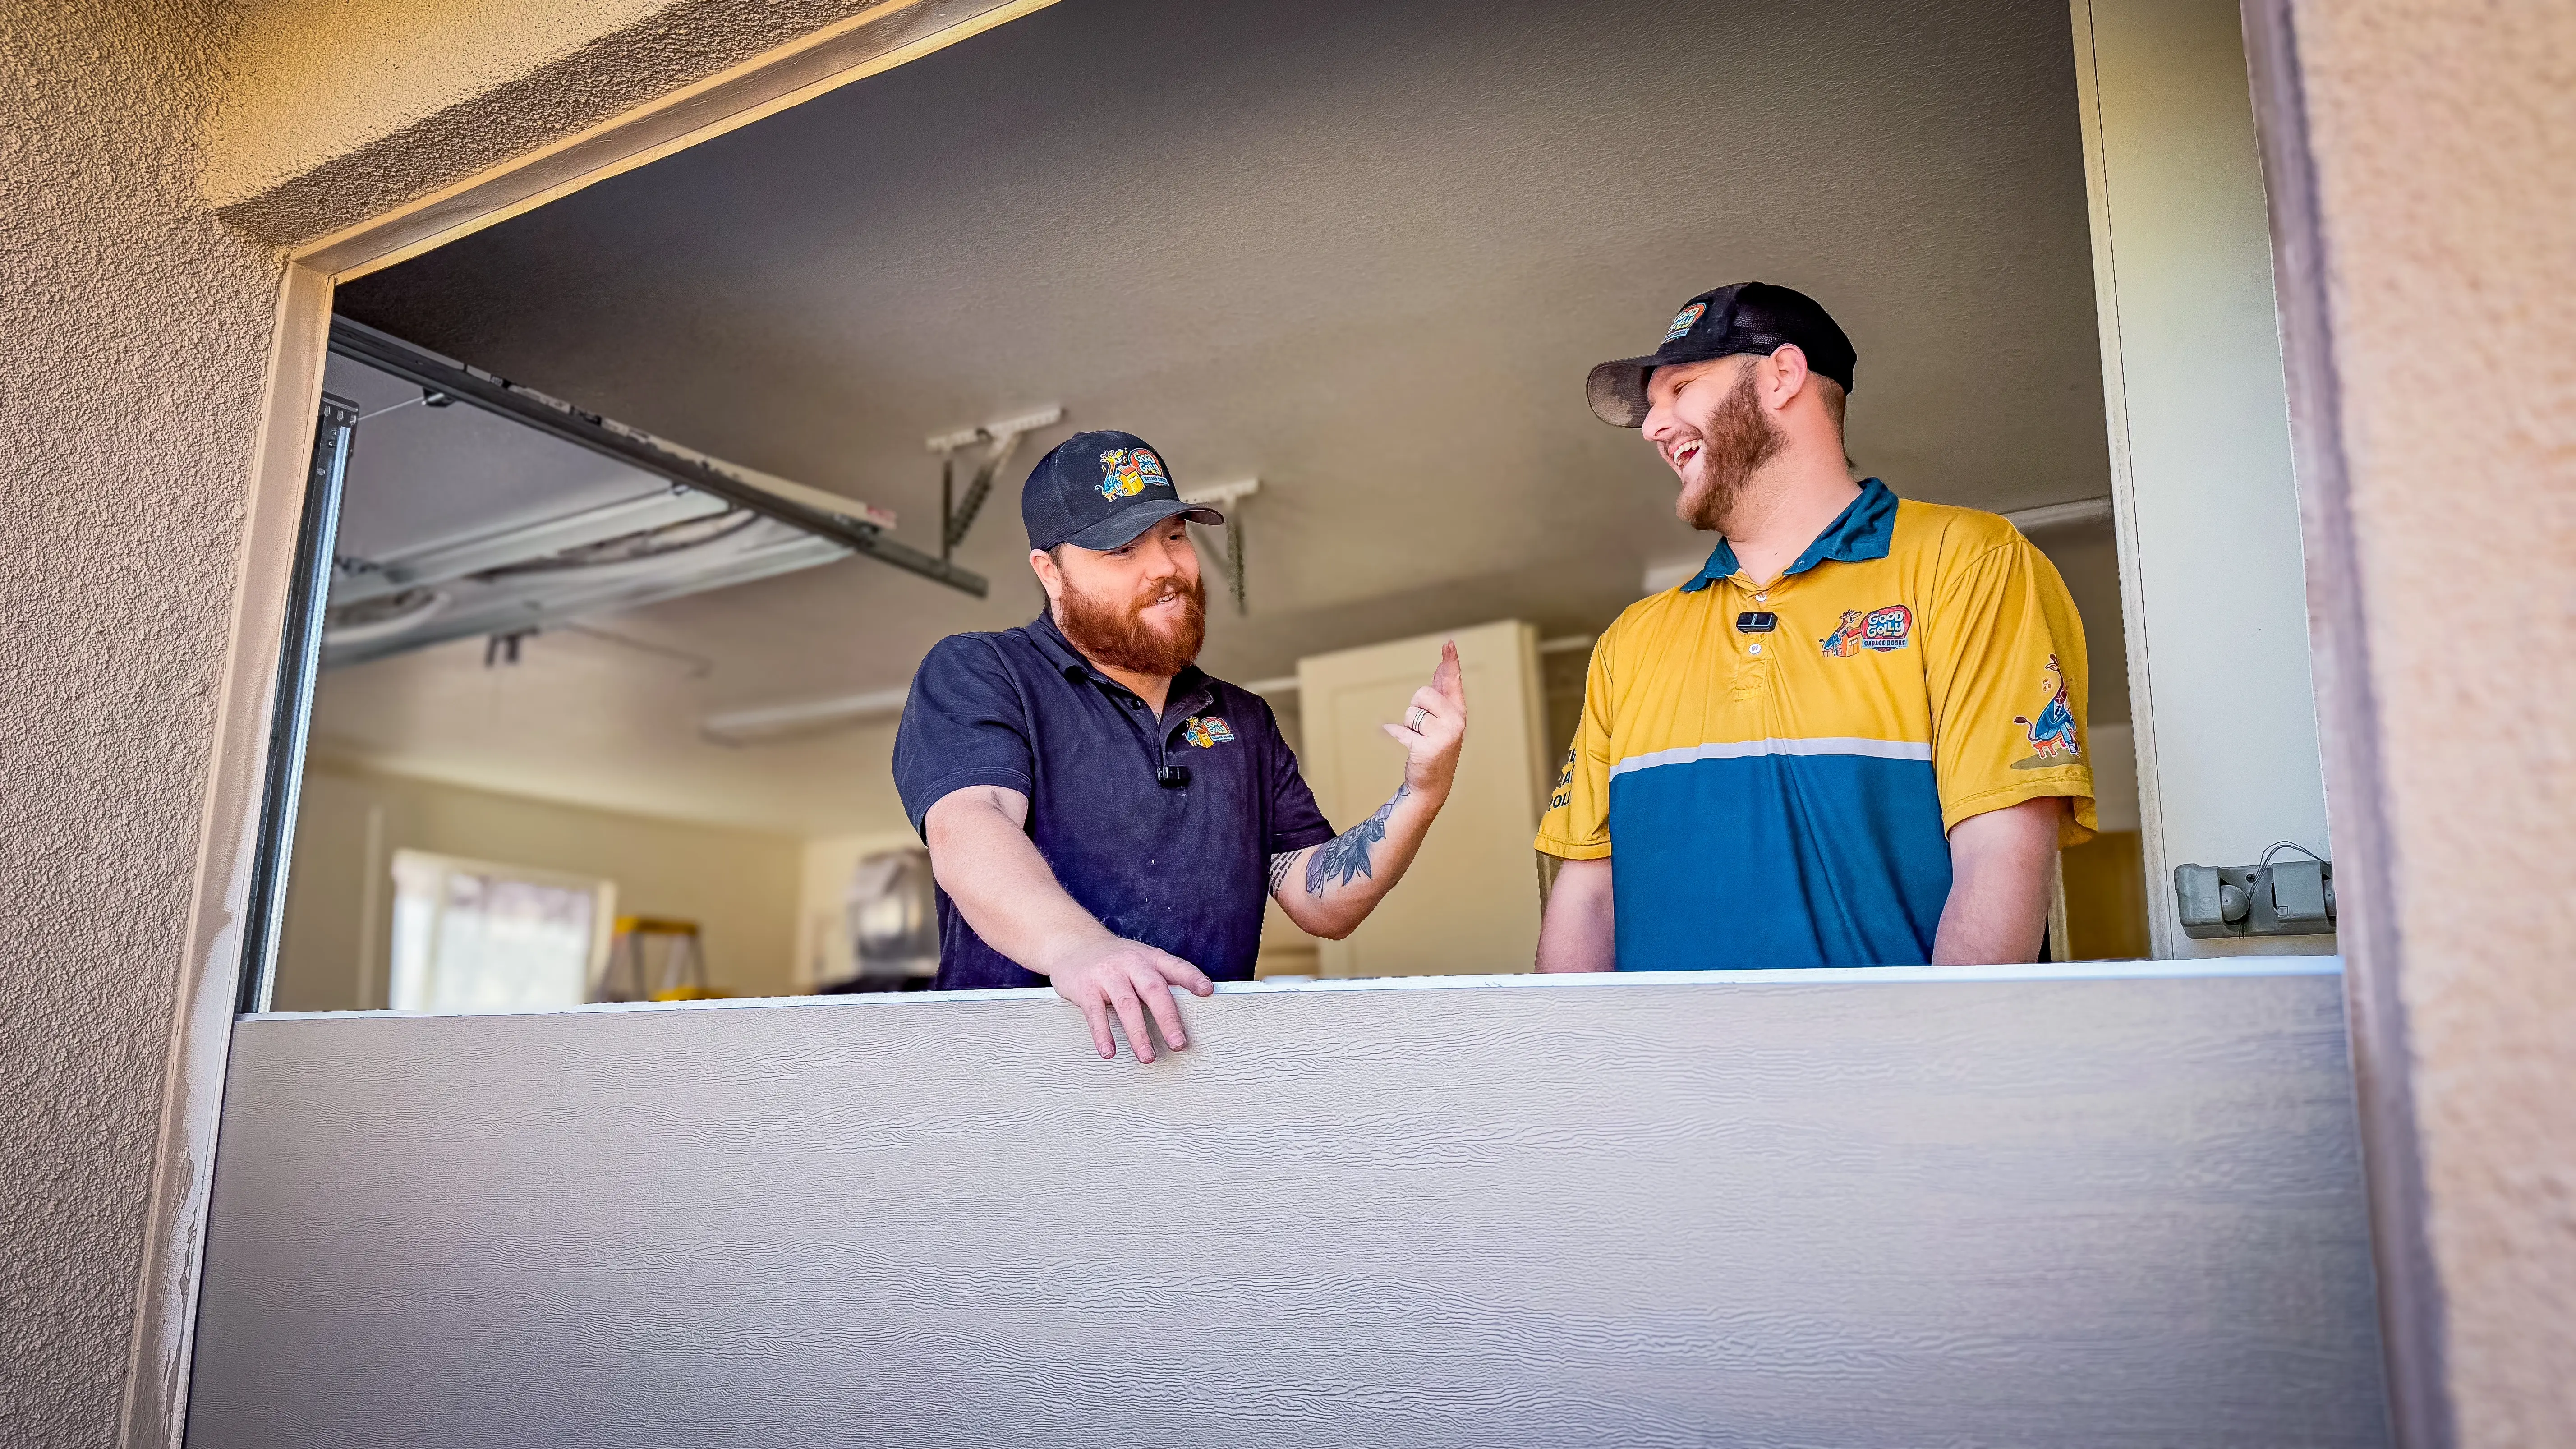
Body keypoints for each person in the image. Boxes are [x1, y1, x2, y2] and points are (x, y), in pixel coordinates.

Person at [1534, 283, 2096, 972]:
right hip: (1670, 1078)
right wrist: (1578, 1074)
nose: (1655, 428)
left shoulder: (1966, 561)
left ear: (1782, 377)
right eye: (1651, 409)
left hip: (1889, 1073)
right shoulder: (1632, 639)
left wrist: (1946, 1071)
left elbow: (2001, 857)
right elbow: (1589, 898)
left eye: (1680, 389)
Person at [893, 429, 1468, 1060]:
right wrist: (1077, 949)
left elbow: (1319, 901)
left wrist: (1421, 793)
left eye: (1173, 536)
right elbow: (970, 826)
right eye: (1123, 549)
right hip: (1017, 1085)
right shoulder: (985, 671)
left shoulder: (1243, 719)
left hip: (1202, 1090)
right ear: (1050, 572)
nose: (1166, 568)